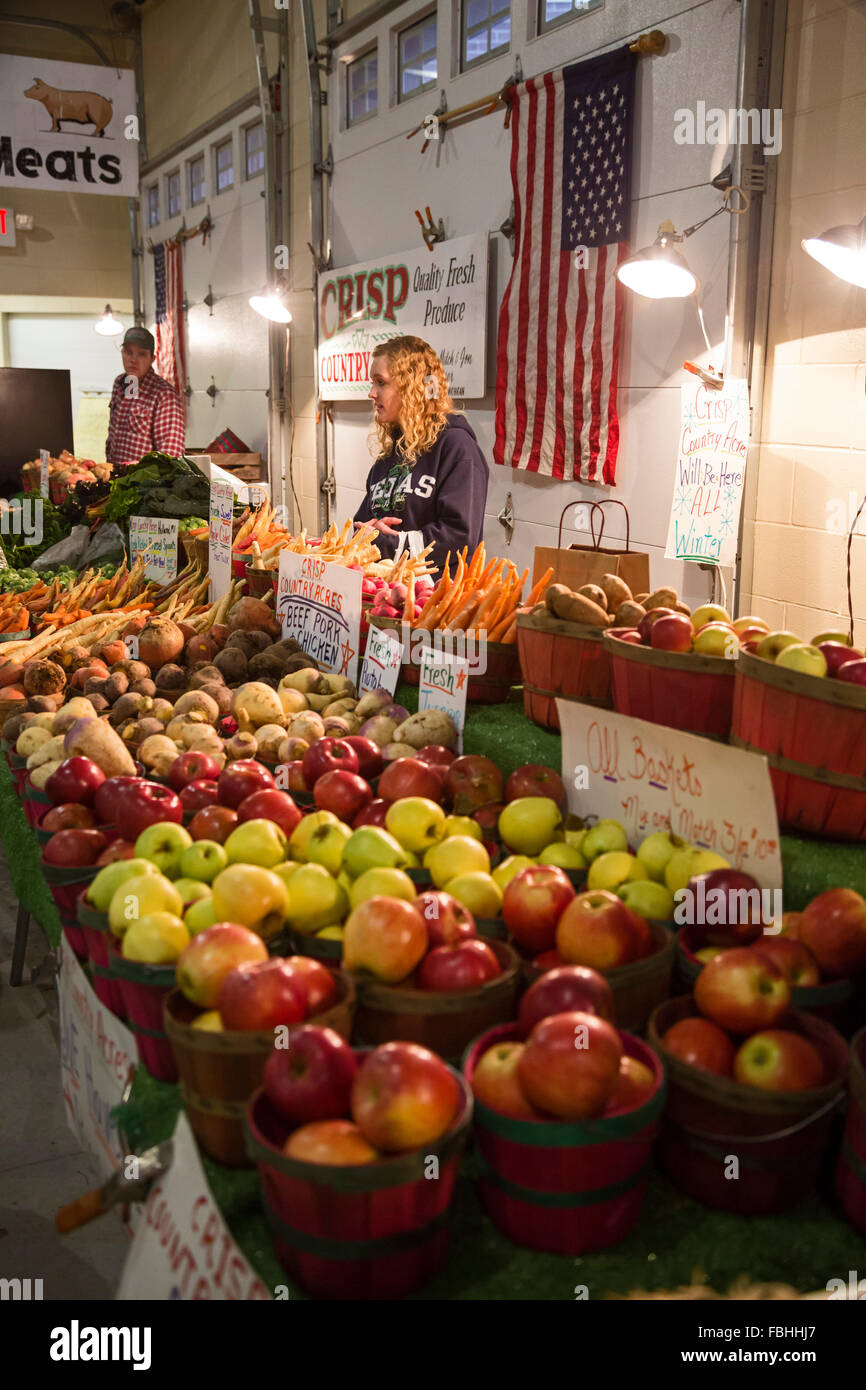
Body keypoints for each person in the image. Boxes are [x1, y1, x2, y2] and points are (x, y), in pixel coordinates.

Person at [353, 335, 488, 576]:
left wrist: (386, 545)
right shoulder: (387, 458)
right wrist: (366, 534)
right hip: (389, 596)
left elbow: (459, 537)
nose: (372, 393)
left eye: (381, 382)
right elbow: (361, 527)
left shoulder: (457, 447)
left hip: (436, 601)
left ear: (412, 387)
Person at [105, 326, 185, 465]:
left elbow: (171, 455)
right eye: (129, 352)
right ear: (122, 353)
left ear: (152, 359)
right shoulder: (120, 383)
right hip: (115, 475)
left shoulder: (164, 395)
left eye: (141, 354)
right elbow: (115, 435)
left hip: (145, 482)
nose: (133, 360)